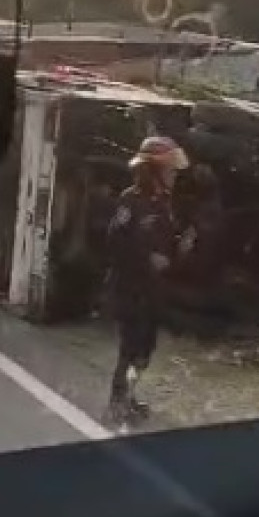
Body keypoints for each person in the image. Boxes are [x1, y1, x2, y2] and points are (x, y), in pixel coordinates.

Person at [103, 135, 190, 427]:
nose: (174, 176)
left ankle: (129, 395)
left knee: (146, 348)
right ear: (153, 170)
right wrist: (146, 259)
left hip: (153, 290)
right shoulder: (131, 200)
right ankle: (117, 401)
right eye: (170, 170)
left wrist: (181, 249)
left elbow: (167, 245)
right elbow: (114, 244)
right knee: (130, 347)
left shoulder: (164, 203)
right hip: (130, 288)